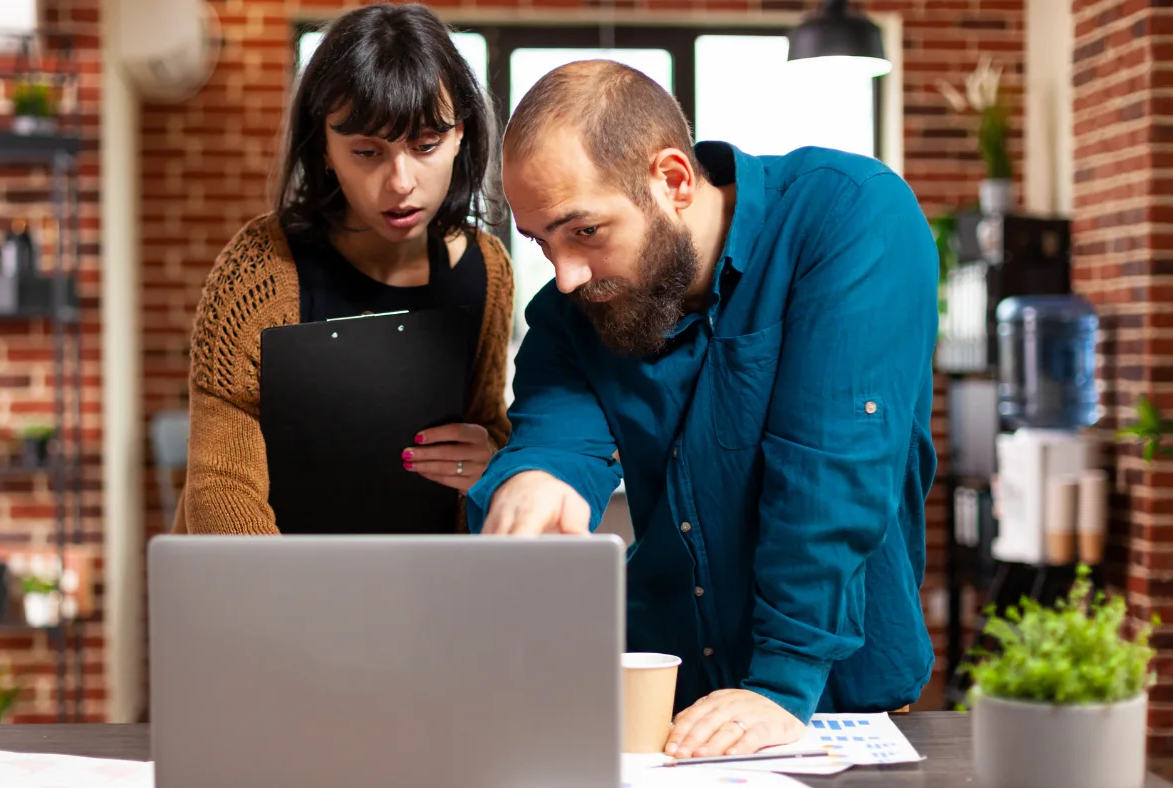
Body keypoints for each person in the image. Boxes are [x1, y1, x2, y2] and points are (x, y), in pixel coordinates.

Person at [467, 61, 936, 758]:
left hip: (833, 700)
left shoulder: (848, 217)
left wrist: (781, 682)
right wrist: (536, 476)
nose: (565, 275)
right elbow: (557, 428)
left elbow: (832, 471)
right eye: (541, 243)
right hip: (665, 713)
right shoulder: (575, 309)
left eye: (584, 232)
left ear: (675, 181)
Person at [175, 3, 513, 535]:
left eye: (425, 146)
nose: (400, 181)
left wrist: (491, 457)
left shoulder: (487, 268)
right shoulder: (262, 268)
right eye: (366, 152)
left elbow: (486, 421)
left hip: (426, 588)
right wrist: (295, 605)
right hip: (277, 594)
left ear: (461, 135)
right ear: (326, 149)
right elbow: (221, 484)